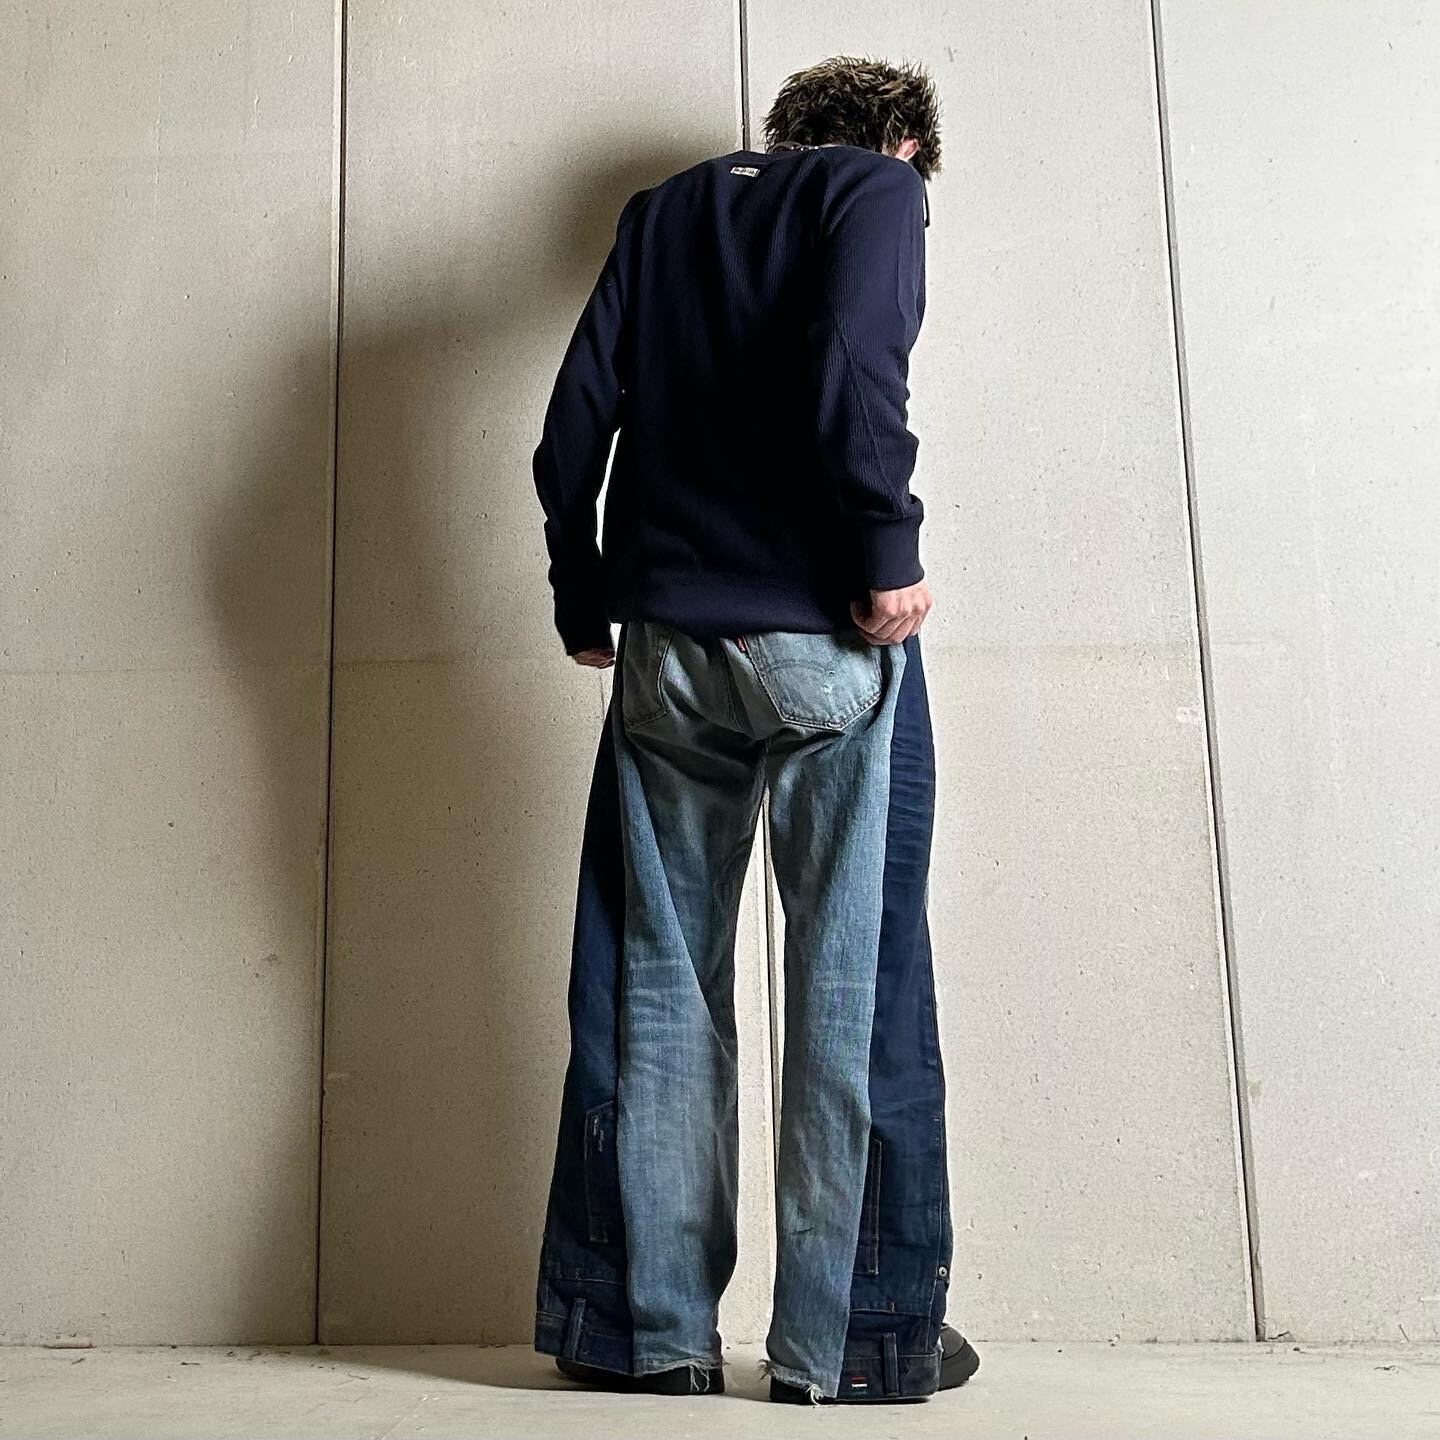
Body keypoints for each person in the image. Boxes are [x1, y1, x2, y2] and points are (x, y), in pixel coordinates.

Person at [528, 54, 978, 1405]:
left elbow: (571, 423)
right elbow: (854, 359)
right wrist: (886, 547)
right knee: (852, 979)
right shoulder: (874, 194)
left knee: (655, 983)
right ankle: (849, 1343)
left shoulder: (663, 209)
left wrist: (583, 591)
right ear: (905, 146)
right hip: (823, 635)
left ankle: (646, 1335)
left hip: (665, 649)